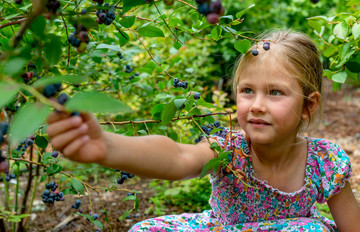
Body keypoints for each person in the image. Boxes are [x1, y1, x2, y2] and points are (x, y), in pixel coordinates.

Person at [46, 30, 360, 232]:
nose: (257, 105)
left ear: (308, 105)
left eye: (275, 93)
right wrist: (106, 145)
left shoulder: (323, 161)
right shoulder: (228, 148)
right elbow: (178, 156)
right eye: (247, 90)